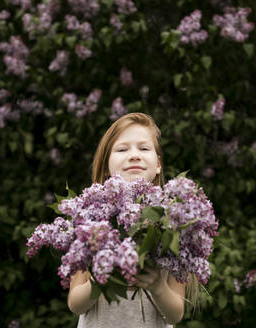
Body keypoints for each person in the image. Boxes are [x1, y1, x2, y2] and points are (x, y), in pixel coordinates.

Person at [67, 113, 200, 327]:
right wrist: (100, 277)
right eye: (122, 149)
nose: (134, 155)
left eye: (144, 148)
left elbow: (176, 314)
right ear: (106, 164)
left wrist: (157, 286)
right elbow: (75, 304)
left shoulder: (173, 221)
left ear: (158, 164)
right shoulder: (90, 219)